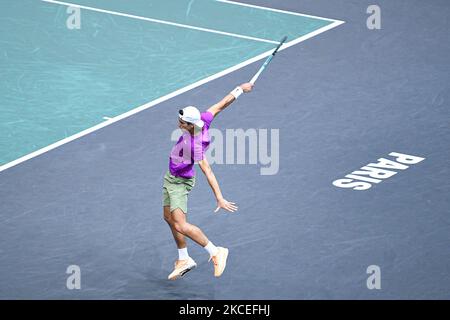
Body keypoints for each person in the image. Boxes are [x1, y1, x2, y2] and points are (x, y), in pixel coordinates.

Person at [162, 82, 254, 280]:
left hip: (179, 183)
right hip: (171, 179)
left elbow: (208, 171)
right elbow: (221, 104)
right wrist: (240, 89)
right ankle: (183, 259)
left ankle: (215, 251)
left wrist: (219, 198)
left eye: (182, 122)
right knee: (168, 218)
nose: (179, 124)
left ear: (190, 125)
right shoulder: (203, 120)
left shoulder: (193, 144)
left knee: (181, 225)